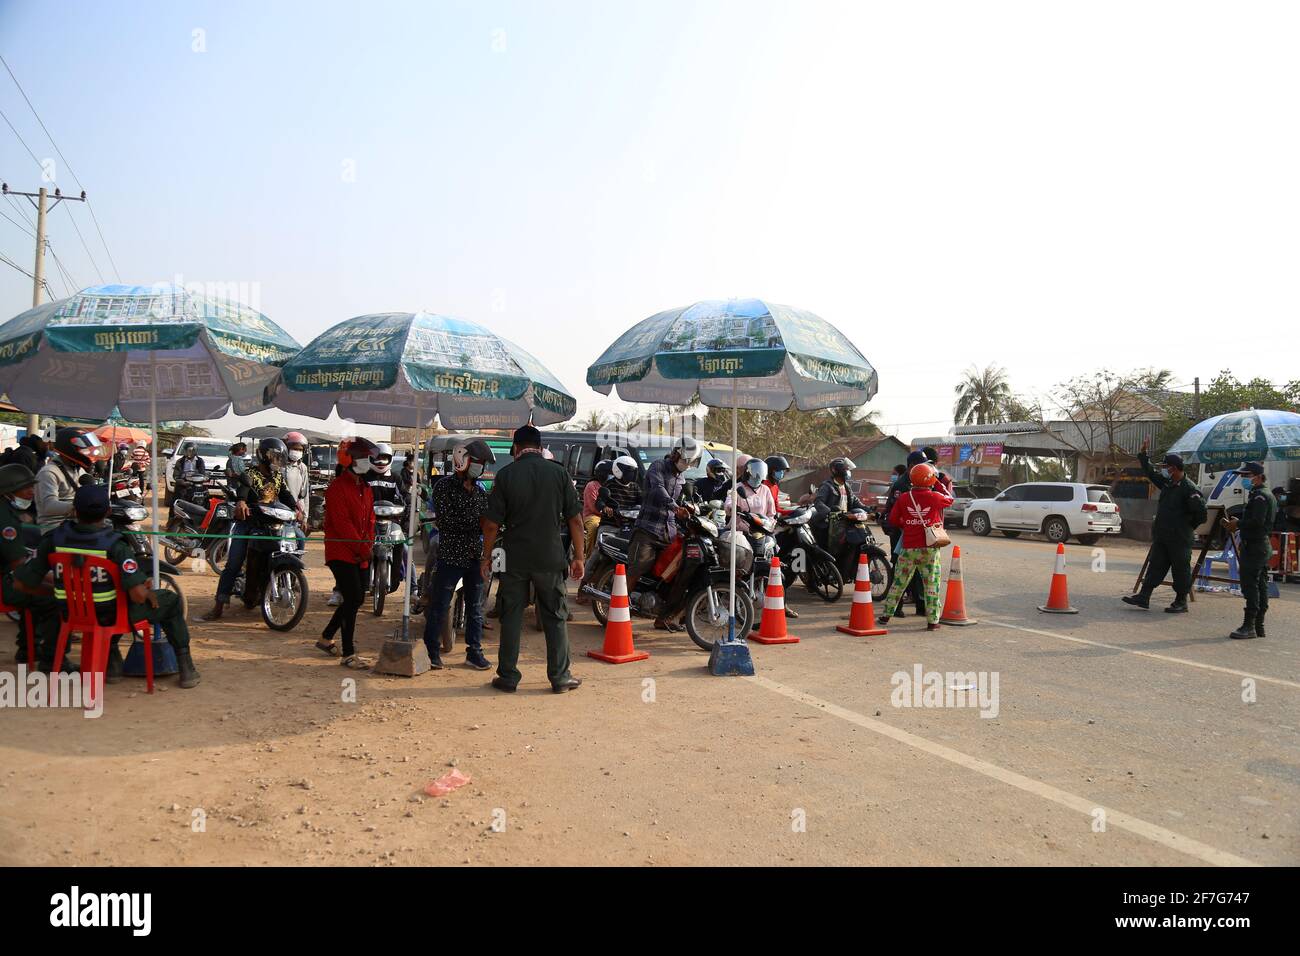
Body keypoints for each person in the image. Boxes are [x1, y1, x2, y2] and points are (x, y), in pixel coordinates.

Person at [18, 484, 199, 687]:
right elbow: (138, 596)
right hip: (110, 616)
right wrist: (145, 589)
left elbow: (22, 583)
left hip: (70, 613)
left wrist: (62, 594)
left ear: (75, 511)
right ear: (108, 512)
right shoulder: (115, 546)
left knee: (114, 600)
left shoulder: (53, 539)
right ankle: (186, 668)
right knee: (170, 602)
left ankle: (112, 664)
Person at [480, 424, 583, 693]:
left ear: (516, 448)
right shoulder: (559, 473)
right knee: (555, 616)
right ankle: (560, 678)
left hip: (515, 558)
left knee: (511, 615)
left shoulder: (506, 475)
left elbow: (491, 525)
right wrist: (580, 557)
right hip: (550, 557)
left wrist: (486, 558)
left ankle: (508, 677)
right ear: (540, 447)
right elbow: (575, 519)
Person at [202, 438, 297, 621]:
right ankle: (218, 605)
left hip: (274, 523)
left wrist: (297, 510)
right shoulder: (250, 474)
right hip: (249, 523)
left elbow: (286, 495)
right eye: (274, 457)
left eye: (280, 458)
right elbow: (243, 492)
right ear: (263, 456)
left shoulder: (278, 476)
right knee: (234, 562)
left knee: (298, 539)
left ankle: (288, 579)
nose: (277, 461)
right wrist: (242, 502)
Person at [423, 440, 494, 670]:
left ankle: (474, 652)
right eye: (477, 463)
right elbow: (446, 521)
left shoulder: (481, 491)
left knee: (475, 608)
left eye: (482, 464)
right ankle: (431, 652)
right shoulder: (444, 487)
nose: (480, 468)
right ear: (462, 461)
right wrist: (479, 523)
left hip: (474, 556)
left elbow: (487, 519)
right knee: (440, 605)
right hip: (451, 556)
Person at [622, 436, 699, 630]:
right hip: (647, 529)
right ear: (675, 454)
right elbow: (658, 490)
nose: (686, 465)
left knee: (677, 573)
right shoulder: (657, 466)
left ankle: (663, 617)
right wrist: (675, 507)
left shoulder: (681, 478)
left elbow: (680, 500)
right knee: (639, 567)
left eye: (690, 463)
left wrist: (689, 508)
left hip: (669, 532)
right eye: (685, 461)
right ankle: (619, 611)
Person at [1122, 439, 1207, 613]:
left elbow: (1201, 515)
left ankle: (1181, 601)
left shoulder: (1189, 489)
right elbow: (1151, 473)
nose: (1164, 470)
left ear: (1173, 468)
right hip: (1162, 535)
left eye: (1166, 467)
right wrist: (1143, 456)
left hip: (1179, 537)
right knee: (1155, 565)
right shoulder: (1168, 484)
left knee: (1180, 569)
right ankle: (1144, 596)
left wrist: (1186, 527)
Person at [317, 437, 378, 668]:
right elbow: (343, 525)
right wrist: (363, 548)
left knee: (356, 598)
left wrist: (367, 546)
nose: (367, 462)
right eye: (362, 458)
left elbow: (370, 520)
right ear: (349, 460)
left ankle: (326, 637)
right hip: (340, 551)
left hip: (360, 552)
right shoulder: (336, 488)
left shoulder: (366, 488)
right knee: (353, 597)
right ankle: (349, 654)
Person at [876, 462, 954, 630]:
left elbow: (893, 519)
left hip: (908, 548)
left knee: (899, 583)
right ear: (930, 479)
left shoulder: (904, 497)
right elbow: (950, 499)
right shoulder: (935, 497)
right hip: (930, 549)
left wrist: (908, 525)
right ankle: (933, 621)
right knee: (931, 584)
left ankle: (885, 617)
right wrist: (938, 483)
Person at [0, 463, 61, 669]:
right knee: (55, 598)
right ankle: (53, 659)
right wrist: (50, 579)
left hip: (8, 578)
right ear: (8, 491)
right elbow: (19, 567)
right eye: (25, 488)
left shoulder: (7, 512)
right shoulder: (6, 520)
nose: (31, 492)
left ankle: (27, 649)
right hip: (5, 584)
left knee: (41, 591)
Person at [1224, 462, 1277, 639]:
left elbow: (1257, 521)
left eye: (1247, 476)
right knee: (1260, 585)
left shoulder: (1261, 496)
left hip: (1255, 546)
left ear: (1258, 476)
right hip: (1258, 545)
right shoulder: (1259, 494)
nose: (1244, 480)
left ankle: (1249, 626)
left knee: (1250, 586)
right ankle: (1258, 625)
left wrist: (1237, 523)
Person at [36, 427, 101, 532]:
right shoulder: (49, 472)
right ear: (69, 448)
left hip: (77, 523)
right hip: (54, 526)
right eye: (81, 449)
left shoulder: (78, 470)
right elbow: (48, 506)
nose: (85, 452)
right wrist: (81, 508)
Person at [363, 442, 406, 590]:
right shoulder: (364, 478)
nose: (380, 462)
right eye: (377, 458)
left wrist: (408, 507)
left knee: (405, 549)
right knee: (352, 549)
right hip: (367, 522)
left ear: (390, 459)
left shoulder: (396, 478)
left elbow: (405, 496)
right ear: (370, 459)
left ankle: (413, 588)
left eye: (384, 458)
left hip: (392, 521)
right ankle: (341, 588)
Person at [282, 432, 312, 548]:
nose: (297, 452)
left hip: (296, 515)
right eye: (294, 448)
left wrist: (305, 518)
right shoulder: (279, 466)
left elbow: (304, 495)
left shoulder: (302, 468)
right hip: (280, 512)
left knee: (299, 541)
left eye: (300, 449)